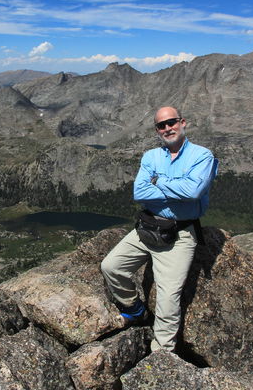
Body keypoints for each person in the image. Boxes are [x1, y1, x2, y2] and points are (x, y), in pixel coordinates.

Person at [101, 106, 218, 352]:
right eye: (161, 125)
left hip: (180, 234)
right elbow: (139, 192)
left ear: (183, 122)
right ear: (157, 130)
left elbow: (194, 191)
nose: (167, 128)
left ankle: (162, 352)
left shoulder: (202, 156)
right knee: (111, 267)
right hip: (148, 226)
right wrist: (178, 189)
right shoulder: (151, 157)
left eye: (171, 122)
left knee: (168, 297)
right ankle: (134, 310)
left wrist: (159, 181)